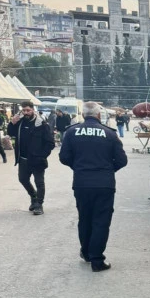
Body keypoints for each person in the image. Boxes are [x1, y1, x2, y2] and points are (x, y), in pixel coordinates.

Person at [59, 101, 128, 272]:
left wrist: (78, 167)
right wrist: (108, 170)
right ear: (99, 115)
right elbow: (122, 160)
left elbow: (64, 157)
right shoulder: (110, 133)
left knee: (85, 218)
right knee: (101, 221)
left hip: (82, 183)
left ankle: (86, 253)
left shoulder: (71, 132)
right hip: (104, 184)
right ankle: (97, 260)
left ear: (83, 115)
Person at [7, 100, 55, 214]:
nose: (26, 112)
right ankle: (33, 197)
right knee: (23, 179)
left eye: (28, 110)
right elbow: (11, 133)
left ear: (33, 110)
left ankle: (39, 204)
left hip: (37, 160)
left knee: (39, 182)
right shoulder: (20, 123)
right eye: (23, 110)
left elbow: (50, 143)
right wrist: (12, 123)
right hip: (23, 159)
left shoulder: (42, 124)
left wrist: (42, 155)